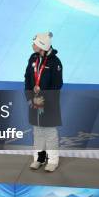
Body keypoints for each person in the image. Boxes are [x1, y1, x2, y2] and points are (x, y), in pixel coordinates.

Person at [25, 32, 63, 172]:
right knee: (37, 131)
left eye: (34, 43)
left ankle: (53, 160)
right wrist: (30, 98)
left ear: (42, 45)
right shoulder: (32, 58)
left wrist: (44, 100)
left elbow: (57, 85)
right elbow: (27, 79)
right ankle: (39, 158)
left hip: (49, 104)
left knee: (50, 132)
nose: (32, 45)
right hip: (34, 102)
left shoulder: (55, 62)